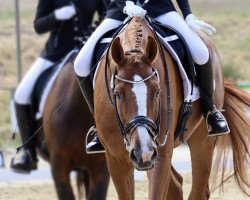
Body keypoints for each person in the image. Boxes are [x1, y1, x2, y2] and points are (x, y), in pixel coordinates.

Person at [74, 0, 230, 154]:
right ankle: (98, 127)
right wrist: (126, 5)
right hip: (120, 13)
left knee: (201, 53)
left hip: (159, 9)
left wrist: (188, 14)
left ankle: (211, 111)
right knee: (80, 65)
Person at [11, 0, 109, 173]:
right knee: (21, 93)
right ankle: (27, 151)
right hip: (54, 54)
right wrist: (55, 16)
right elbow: (38, 25)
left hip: (84, 52)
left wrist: (94, 30)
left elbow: (107, 13)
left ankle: (113, 139)